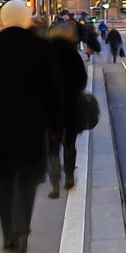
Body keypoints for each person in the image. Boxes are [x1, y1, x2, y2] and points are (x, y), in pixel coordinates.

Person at [0, 0, 60, 253]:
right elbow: (53, 92)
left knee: (1, 182)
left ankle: (8, 232)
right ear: (26, 19)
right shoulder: (41, 48)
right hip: (30, 128)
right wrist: (54, 126)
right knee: (26, 183)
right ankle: (22, 236)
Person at [47, 21, 87, 197]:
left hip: (49, 109)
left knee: (52, 147)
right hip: (70, 106)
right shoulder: (73, 55)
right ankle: (69, 177)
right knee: (70, 144)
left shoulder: (44, 54)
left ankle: (54, 185)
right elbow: (82, 79)